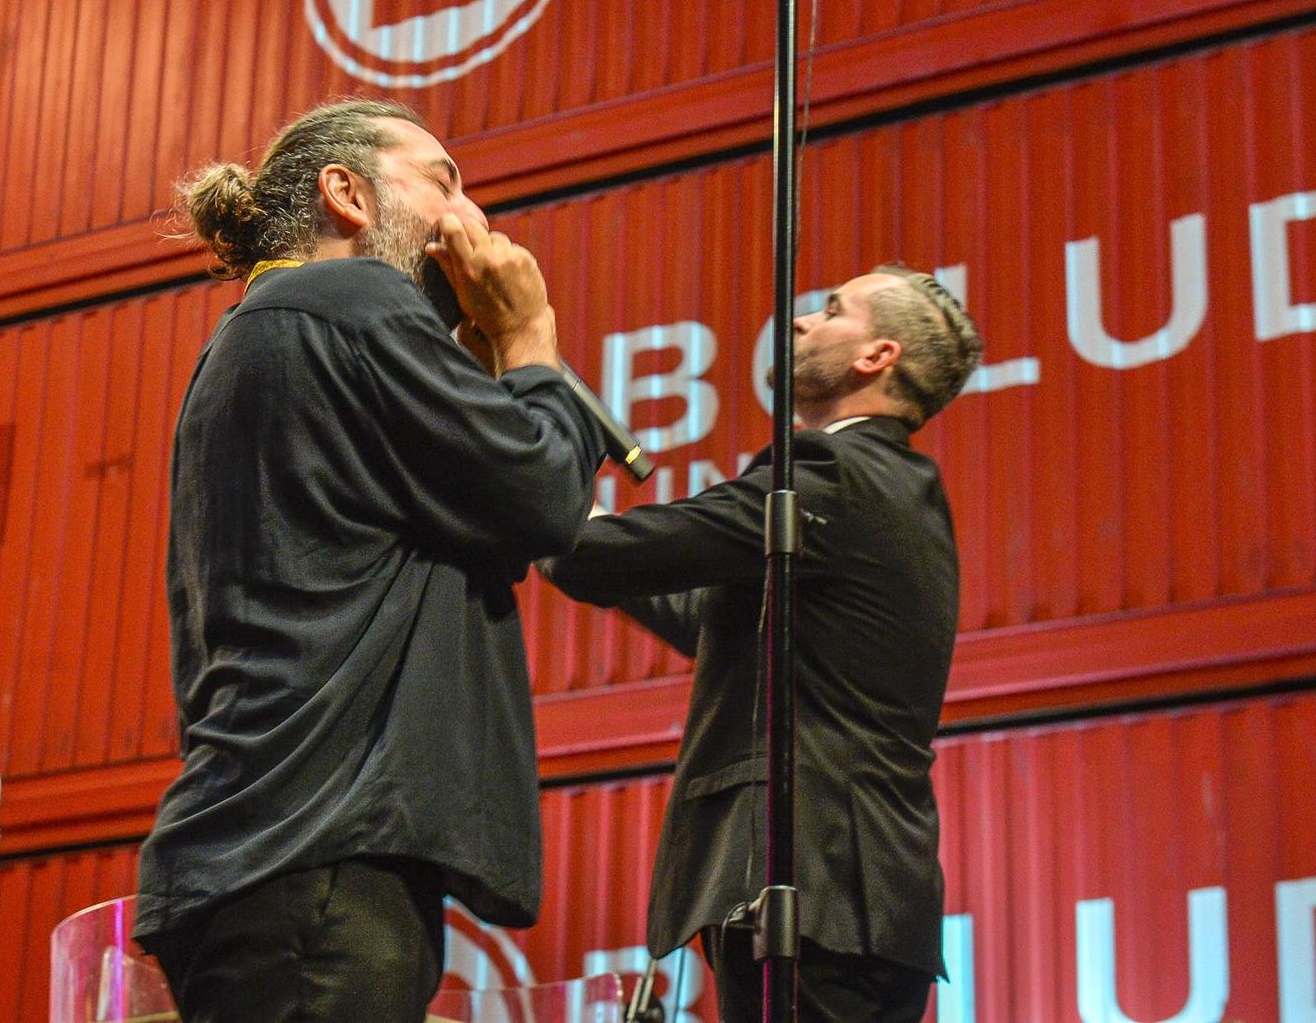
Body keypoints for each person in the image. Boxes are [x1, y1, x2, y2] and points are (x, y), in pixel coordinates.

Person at [132, 98, 607, 1023]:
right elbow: (545, 495)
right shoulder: (356, 299)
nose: (470, 214)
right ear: (346, 194)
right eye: (444, 181)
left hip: (262, 855)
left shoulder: (257, 331)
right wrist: (528, 336)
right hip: (321, 861)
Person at [545, 267, 983, 1023]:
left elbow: (600, 557)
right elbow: (697, 611)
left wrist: (534, 447)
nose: (803, 320)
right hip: (855, 900)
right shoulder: (894, 484)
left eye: (831, 310)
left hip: (815, 892)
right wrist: (572, 520)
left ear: (876, 356)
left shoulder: (833, 473)